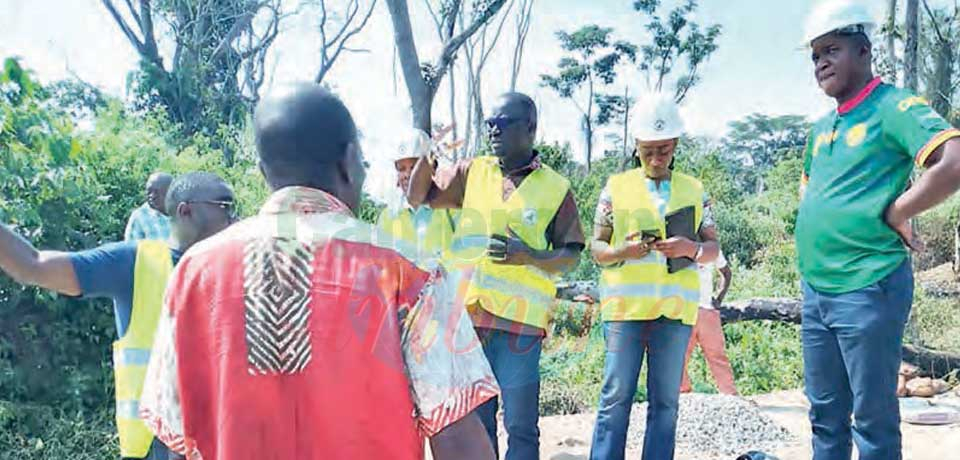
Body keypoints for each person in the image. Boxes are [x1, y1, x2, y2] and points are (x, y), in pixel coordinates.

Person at [139, 85, 498, 460]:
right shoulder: (409, 270)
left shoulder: (193, 273)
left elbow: (175, 438)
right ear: (349, 161)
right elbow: (457, 436)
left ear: (264, 173)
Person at [798, 2, 960, 459]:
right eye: (814, 56)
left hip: (867, 287)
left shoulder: (893, 107)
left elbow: (953, 162)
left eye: (832, 49)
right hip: (817, 292)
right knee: (825, 416)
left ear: (864, 50)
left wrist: (898, 210)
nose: (821, 63)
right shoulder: (821, 128)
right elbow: (813, 197)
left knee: (872, 421)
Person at [0, 172, 236, 460]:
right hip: (153, 446)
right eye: (224, 206)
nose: (234, 219)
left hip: (216, 441)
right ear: (186, 211)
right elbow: (32, 265)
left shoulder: (232, 270)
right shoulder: (135, 263)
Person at [408, 92, 585, 460]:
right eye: (489, 124)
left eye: (502, 124)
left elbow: (571, 256)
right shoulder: (474, 171)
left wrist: (529, 256)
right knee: (479, 421)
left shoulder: (555, 188)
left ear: (530, 128)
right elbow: (419, 195)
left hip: (521, 324)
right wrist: (430, 150)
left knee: (520, 425)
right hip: (470, 321)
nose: (493, 131)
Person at [588, 93, 721, 460]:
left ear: (676, 144)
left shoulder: (694, 190)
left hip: (674, 314)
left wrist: (689, 249)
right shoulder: (615, 188)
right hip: (623, 312)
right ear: (636, 146)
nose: (656, 157)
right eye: (648, 149)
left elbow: (712, 248)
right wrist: (622, 252)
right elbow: (597, 248)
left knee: (666, 402)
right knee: (616, 398)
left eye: (663, 149)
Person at [377, 128, 458, 266]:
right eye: (401, 169)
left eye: (414, 167)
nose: (408, 175)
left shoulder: (451, 209)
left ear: (431, 168)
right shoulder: (387, 218)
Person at [680, 245, 736, 395]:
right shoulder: (678, 244)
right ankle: (683, 395)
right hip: (683, 310)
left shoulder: (710, 248)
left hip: (706, 310)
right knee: (679, 356)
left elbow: (726, 272)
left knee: (717, 355)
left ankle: (730, 396)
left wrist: (719, 299)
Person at [125, 172, 174, 241]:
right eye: (149, 191)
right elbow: (132, 248)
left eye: (157, 192)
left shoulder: (182, 213)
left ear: (170, 192)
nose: (152, 196)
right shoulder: (140, 216)